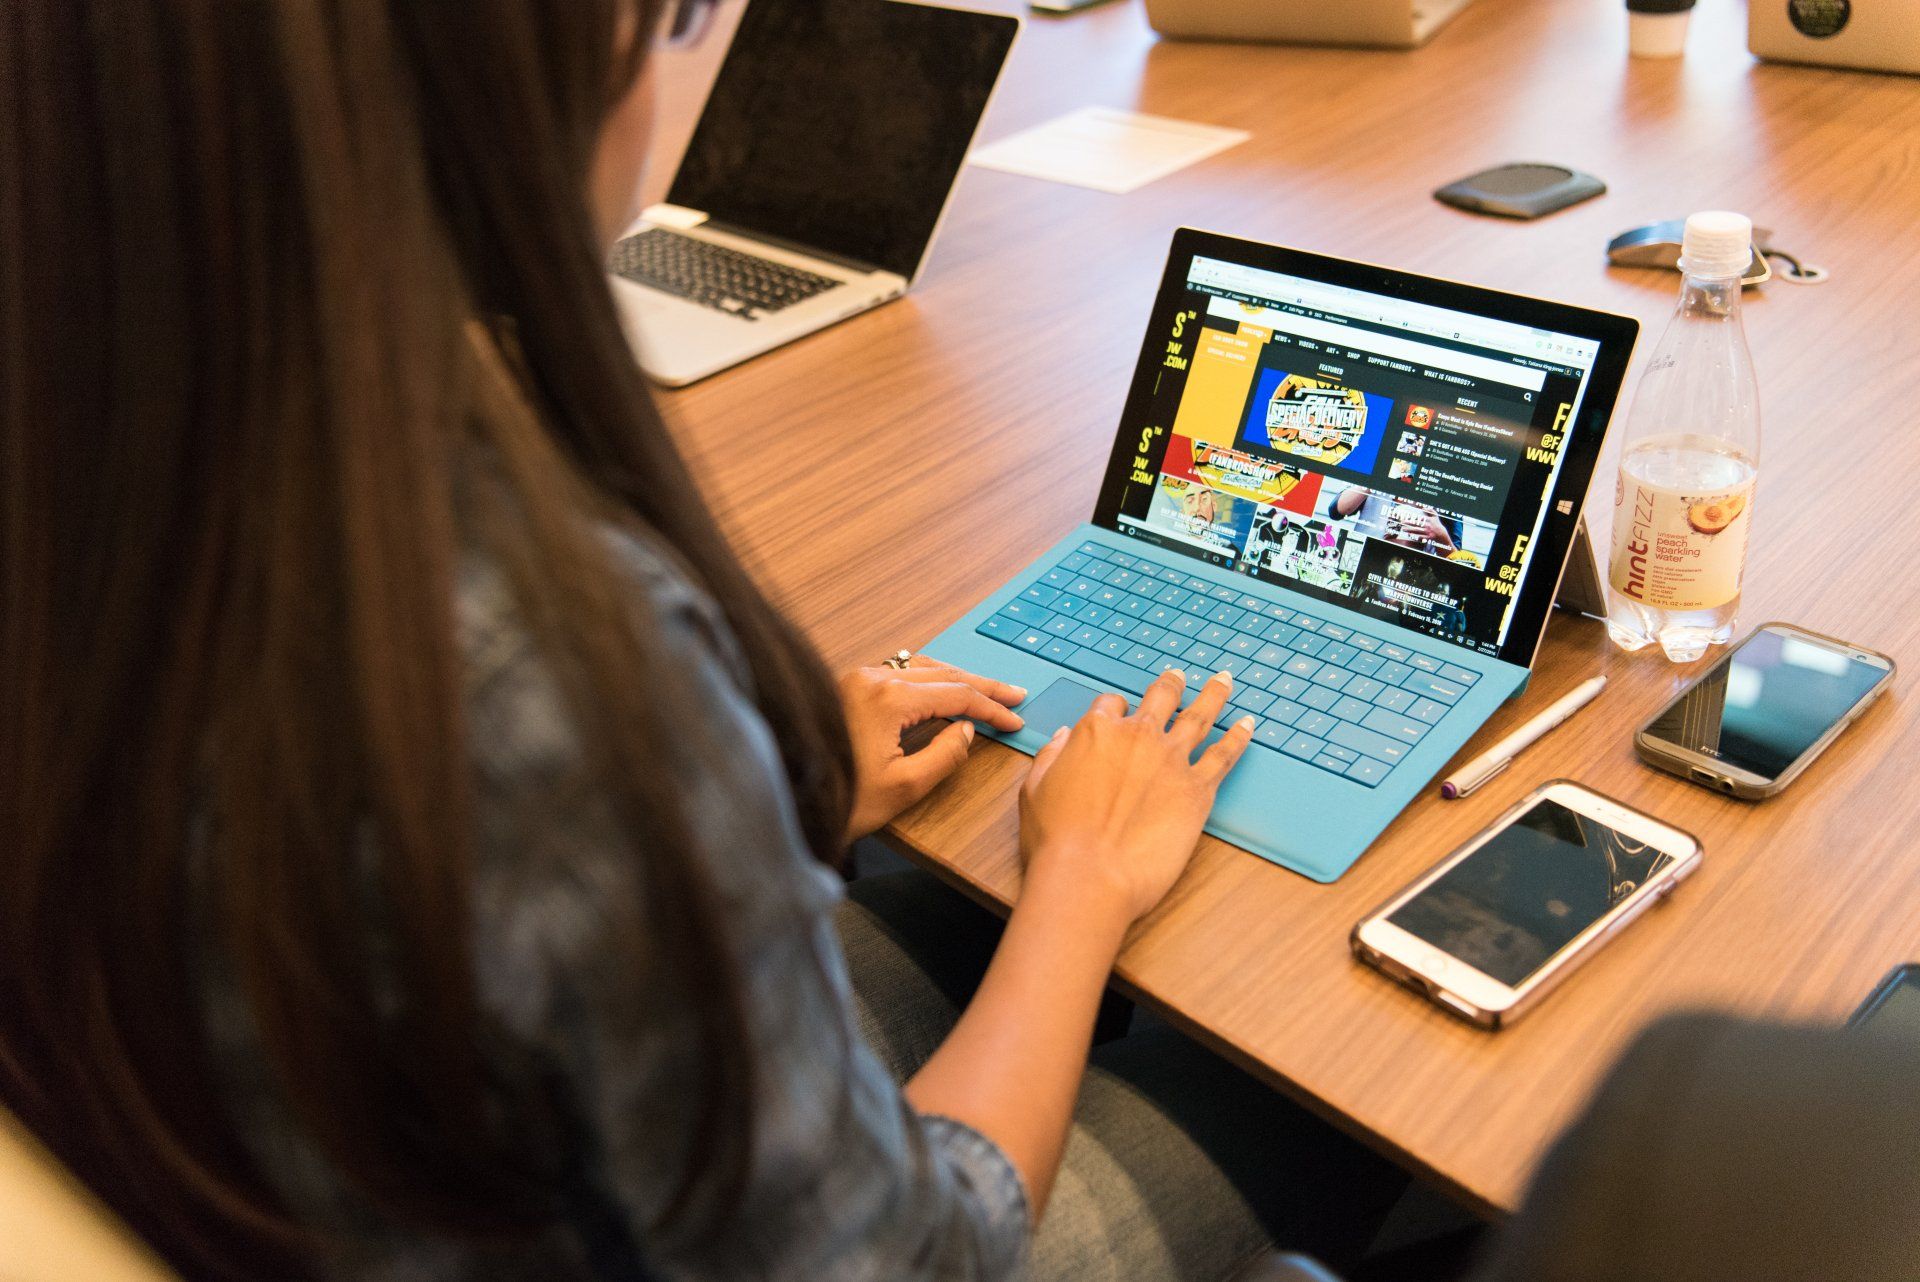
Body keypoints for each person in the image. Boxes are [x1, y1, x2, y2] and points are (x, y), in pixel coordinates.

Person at [0, 2, 1406, 1280]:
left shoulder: (119, 486)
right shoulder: (537, 669)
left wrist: (743, 806)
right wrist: (1082, 885)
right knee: (1285, 1086)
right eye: (659, 26)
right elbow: (920, 1255)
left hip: (334, 1157)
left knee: (928, 914)